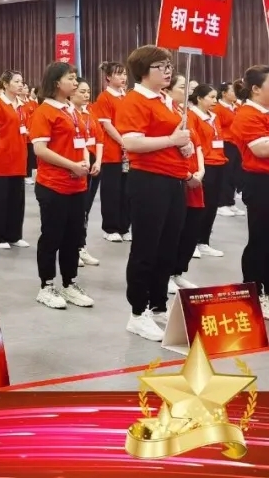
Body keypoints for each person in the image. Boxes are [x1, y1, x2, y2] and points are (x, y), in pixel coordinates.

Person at [116, 46, 193, 342]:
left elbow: (174, 136)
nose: (168, 71)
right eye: (161, 66)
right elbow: (132, 143)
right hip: (149, 181)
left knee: (168, 246)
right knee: (146, 248)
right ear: (144, 71)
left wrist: (184, 144)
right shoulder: (134, 100)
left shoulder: (166, 100)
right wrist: (172, 140)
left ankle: (158, 305)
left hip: (173, 180)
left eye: (169, 65)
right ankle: (138, 312)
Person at [29, 62, 94, 310]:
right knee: (52, 237)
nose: (76, 83)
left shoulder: (71, 110)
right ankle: (46, 286)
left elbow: (81, 142)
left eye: (76, 78)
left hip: (77, 184)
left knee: (73, 238)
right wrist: (71, 165)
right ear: (57, 82)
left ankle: (69, 283)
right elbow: (40, 149)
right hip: (53, 185)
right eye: (71, 78)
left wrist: (85, 161)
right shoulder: (44, 111)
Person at [229, 65, 269, 311]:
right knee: (261, 239)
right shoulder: (247, 114)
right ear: (255, 89)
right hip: (261, 183)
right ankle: (255, 291)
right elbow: (261, 149)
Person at [169, 76, 207, 292]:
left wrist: (200, 171)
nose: (187, 91)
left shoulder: (188, 114)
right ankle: (165, 274)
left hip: (195, 179)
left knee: (190, 230)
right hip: (179, 179)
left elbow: (198, 145)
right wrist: (187, 176)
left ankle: (178, 272)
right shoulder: (168, 115)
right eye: (182, 87)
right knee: (174, 230)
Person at [0, 71, 29, 250]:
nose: (21, 84)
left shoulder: (22, 105)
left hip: (19, 157)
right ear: (5, 84)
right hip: (1, 158)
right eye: (16, 81)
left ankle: (14, 235)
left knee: (17, 199)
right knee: (0, 199)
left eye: (21, 81)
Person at [92, 61, 131, 243]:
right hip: (112, 152)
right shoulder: (104, 98)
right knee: (111, 191)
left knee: (127, 191)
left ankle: (124, 227)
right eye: (119, 74)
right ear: (108, 77)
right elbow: (107, 125)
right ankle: (110, 228)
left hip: (128, 152)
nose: (123, 77)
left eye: (124, 74)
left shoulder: (126, 97)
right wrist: (123, 142)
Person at [187, 84, 227, 258]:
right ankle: (192, 241)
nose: (214, 100)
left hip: (219, 163)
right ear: (199, 98)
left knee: (212, 205)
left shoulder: (214, 116)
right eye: (211, 97)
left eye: (215, 97)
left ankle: (204, 241)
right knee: (200, 206)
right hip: (204, 165)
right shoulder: (192, 116)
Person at [74, 78, 103, 267]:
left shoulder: (90, 113)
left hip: (92, 162)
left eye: (88, 92)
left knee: (85, 209)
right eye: (82, 91)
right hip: (77, 163)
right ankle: (72, 247)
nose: (86, 95)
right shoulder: (69, 113)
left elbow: (99, 139)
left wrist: (98, 161)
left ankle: (81, 246)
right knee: (76, 209)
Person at [215, 80, 246, 217]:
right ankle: (222, 204)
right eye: (232, 91)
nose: (235, 93)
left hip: (237, 143)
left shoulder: (237, 106)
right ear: (224, 93)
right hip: (226, 143)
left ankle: (230, 202)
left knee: (235, 174)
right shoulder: (218, 108)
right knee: (226, 174)